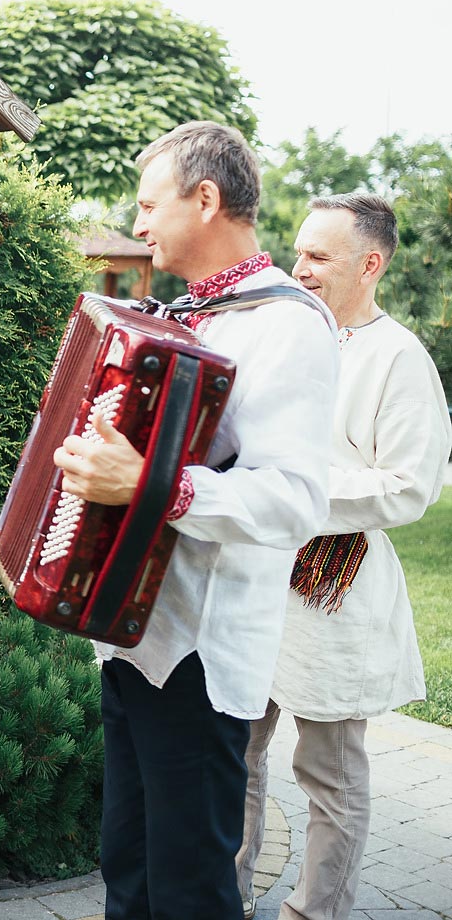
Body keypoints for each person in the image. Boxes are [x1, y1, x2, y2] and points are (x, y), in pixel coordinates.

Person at [52, 121, 339, 919]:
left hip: (202, 657)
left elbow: (295, 498)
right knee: (129, 877)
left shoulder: (288, 324)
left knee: (190, 892)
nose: (138, 225)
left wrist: (153, 486)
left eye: (150, 206)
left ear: (205, 199)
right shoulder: (182, 314)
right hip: (131, 636)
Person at [234, 193, 450, 920]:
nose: (300, 267)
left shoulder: (400, 357)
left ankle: (314, 912)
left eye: (319, 256)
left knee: (329, 776)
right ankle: (224, 895)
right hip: (255, 573)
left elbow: (409, 487)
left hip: (333, 587)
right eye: (299, 251)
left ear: (370, 264)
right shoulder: (290, 336)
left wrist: (295, 493)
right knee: (235, 752)